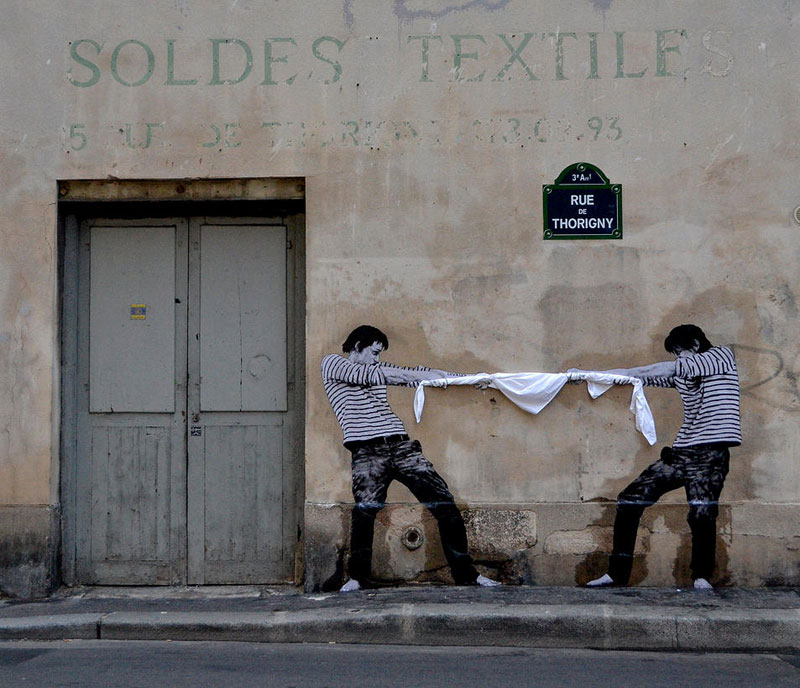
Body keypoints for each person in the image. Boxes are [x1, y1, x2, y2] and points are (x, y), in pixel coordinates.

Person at [321, 325, 500, 592]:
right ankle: (357, 578)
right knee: (365, 511)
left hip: (401, 446)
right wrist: (406, 375)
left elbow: (418, 375)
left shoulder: (379, 369)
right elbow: (379, 375)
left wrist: (468, 379)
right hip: (367, 451)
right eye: (374, 352)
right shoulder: (333, 364)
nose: (377, 359)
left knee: (445, 504)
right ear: (357, 346)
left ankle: (467, 575)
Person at [570, 324, 741, 590]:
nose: (677, 359)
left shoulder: (722, 357)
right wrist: (587, 376)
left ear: (696, 345)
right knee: (629, 499)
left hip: (710, 455)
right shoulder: (682, 374)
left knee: (702, 512)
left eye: (679, 352)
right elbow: (636, 376)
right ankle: (617, 575)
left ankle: (701, 577)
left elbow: (670, 369)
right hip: (681, 454)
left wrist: (671, 366)